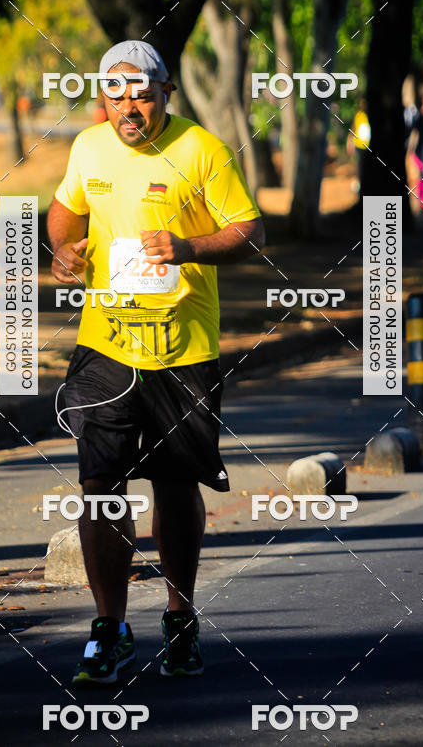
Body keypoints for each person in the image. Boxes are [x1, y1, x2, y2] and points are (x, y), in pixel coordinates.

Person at [48, 40, 265, 685]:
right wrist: (64, 252)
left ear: (165, 91)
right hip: (106, 347)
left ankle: (179, 616)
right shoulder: (88, 148)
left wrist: (187, 246)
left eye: (140, 91)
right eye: (114, 93)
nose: (128, 106)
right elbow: (63, 214)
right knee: (99, 489)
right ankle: (110, 628)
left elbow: (250, 230)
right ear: (101, 99)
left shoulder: (201, 149)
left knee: (175, 487)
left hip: (183, 350)